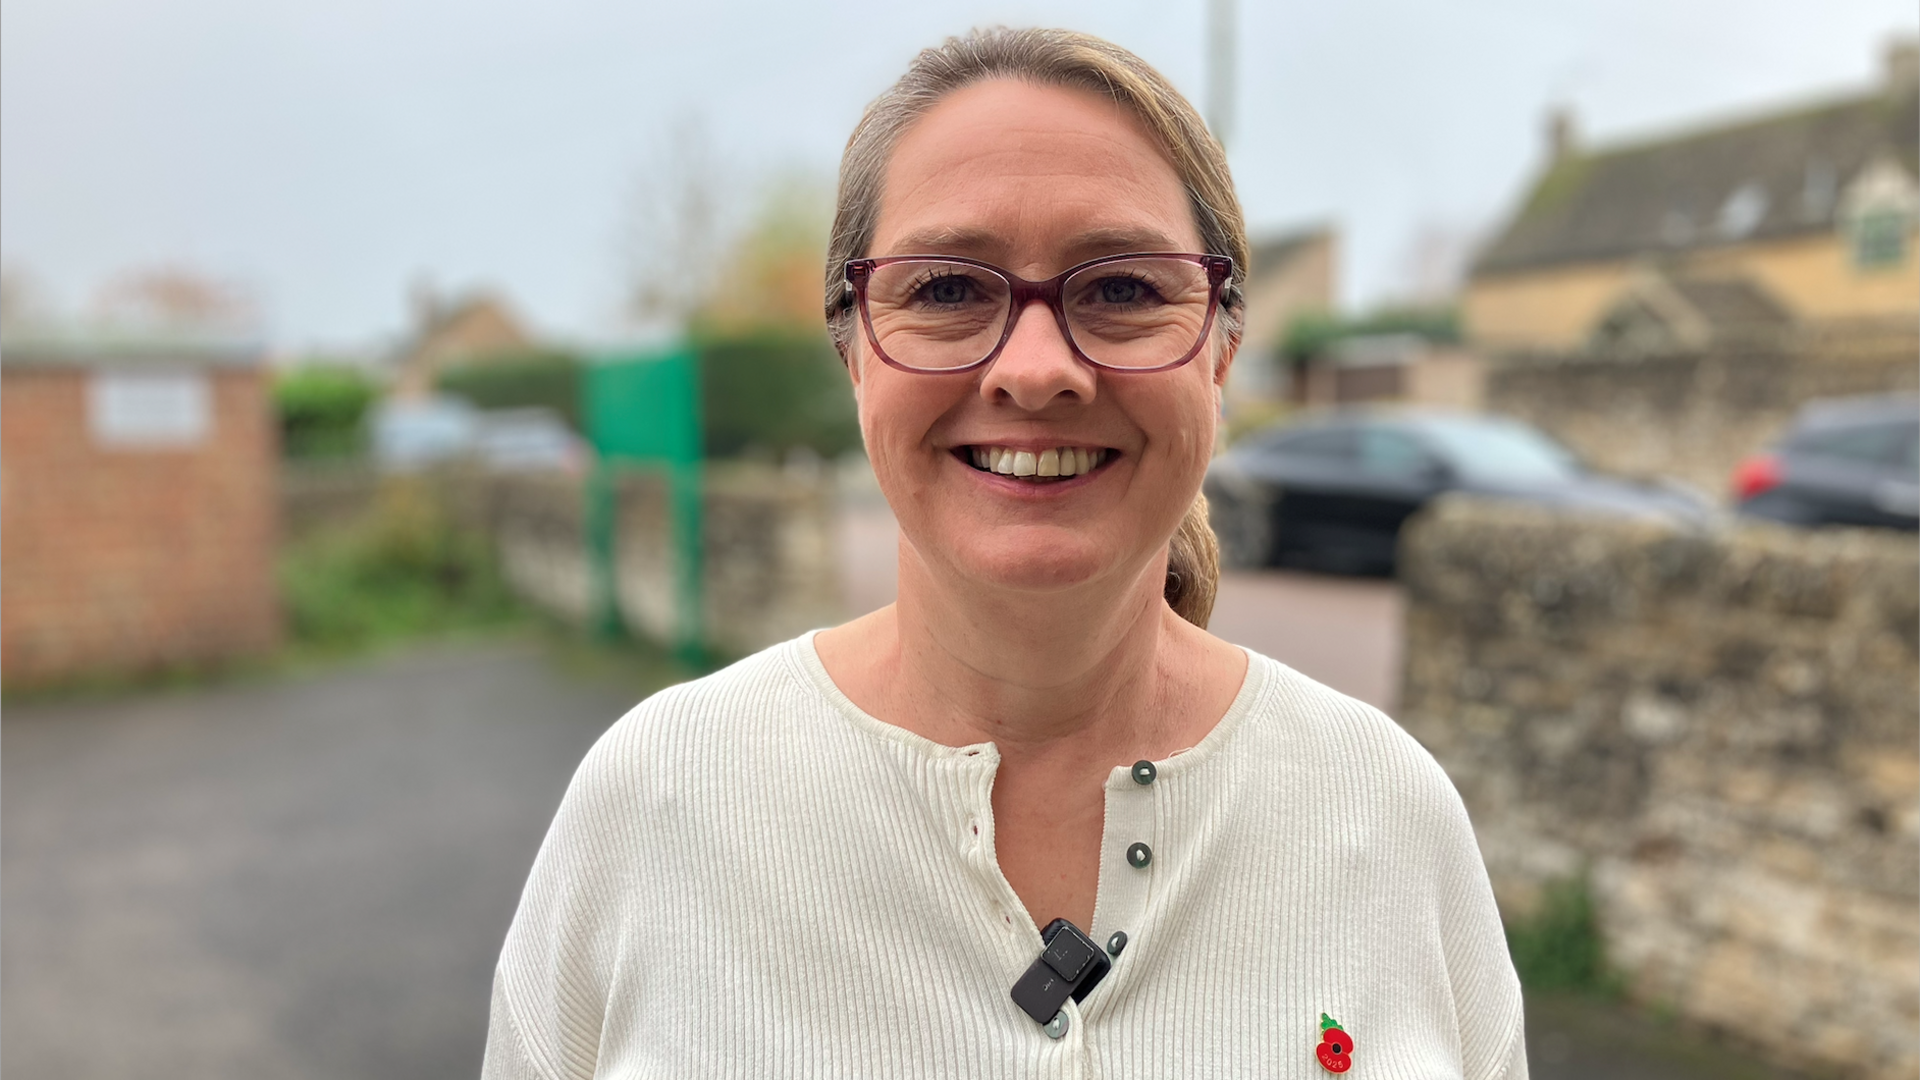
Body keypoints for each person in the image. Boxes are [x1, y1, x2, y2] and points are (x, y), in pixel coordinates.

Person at [483, 27, 1526, 1079]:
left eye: (1122, 288)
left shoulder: (1385, 812)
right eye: (945, 289)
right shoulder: (658, 800)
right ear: (852, 351)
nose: (1038, 369)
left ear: (1223, 348)